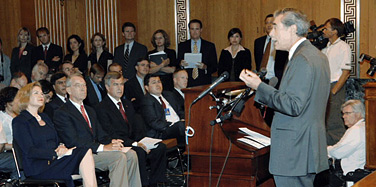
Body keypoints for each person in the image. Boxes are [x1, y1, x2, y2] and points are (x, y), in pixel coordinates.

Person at [239, 8, 330, 186]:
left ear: (292, 29)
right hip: (306, 149)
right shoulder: (317, 55)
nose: (271, 34)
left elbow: (293, 105)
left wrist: (259, 86)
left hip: (294, 152)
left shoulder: (302, 59)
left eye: (275, 28)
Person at [53, 73, 141, 187]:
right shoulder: (62, 113)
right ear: (68, 90)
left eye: (84, 85)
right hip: (80, 155)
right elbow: (73, 142)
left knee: (131, 154)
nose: (83, 88)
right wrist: (103, 147)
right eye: (78, 85)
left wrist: (112, 142)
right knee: (118, 157)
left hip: (95, 151)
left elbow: (101, 135)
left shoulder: (90, 110)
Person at [12, 82, 97, 187]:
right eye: (36, 93)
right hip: (39, 167)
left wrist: (61, 146)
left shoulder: (45, 117)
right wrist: (55, 153)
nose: (41, 95)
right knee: (85, 158)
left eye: (42, 93)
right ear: (25, 97)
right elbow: (29, 151)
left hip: (55, 161)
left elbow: (57, 140)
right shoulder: (20, 121)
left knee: (86, 155)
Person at [96, 72, 167, 186]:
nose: (120, 88)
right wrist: (135, 143)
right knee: (138, 152)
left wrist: (142, 141)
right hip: (118, 143)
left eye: (121, 84)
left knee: (160, 147)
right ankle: (143, 184)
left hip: (133, 140)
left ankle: (155, 182)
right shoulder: (102, 107)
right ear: (107, 87)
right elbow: (110, 133)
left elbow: (136, 126)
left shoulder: (127, 103)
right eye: (116, 85)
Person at [322, 18, 352, 146]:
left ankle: (337, 156)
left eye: (326, 28)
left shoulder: (343, 47)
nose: (323, 31)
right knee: (324, 122)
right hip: (324, 87)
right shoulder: (325, 48)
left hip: (335, 87)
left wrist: (334, 91)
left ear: (334, 31)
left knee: (334, 123)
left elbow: (345, 73)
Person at [327, 100, 365, 186]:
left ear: (358, 114)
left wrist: (325, 150)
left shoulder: (356, 130)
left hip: (351, 176)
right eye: (343, 113)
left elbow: (338, 152)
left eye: (347, 113)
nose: (344, 116)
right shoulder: (363, 127)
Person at [141, 74, 185, 145]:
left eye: (159, 82)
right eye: (154, 82)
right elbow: (154, 122)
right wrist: (172, 124)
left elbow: (180, 111)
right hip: (163, 131)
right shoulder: (147, 100)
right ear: (146, 87)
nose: (157, 84)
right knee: (182, 126)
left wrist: (183, 118)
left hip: (179, 125)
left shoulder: (169, 95)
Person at [177, 19, 217, 87]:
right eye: (192, 29)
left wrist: (205, 67)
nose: (194, 32)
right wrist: (181, 64)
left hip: (204, 82)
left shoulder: (209, 46)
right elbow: (177, 63)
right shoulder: (182, 46)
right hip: (187, 82)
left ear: (201, 30)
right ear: (189, 30)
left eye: (197, 29)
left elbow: (215, 66)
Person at [254, 14, 288, 86]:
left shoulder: (281, 42)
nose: (269, 25)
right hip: (261, 81)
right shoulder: (258, 42)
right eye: (266, 23)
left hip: (277, 81)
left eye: (271, 23)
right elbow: (258, 62)